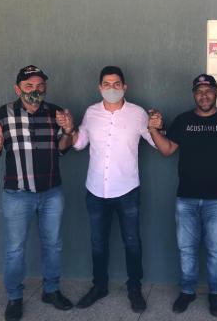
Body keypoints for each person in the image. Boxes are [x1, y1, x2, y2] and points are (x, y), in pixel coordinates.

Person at [147, 73, 217, 317]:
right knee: (186, 249)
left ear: (216, 93)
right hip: (186, 198)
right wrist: (153, 130)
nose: (204, 95)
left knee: (216, 251)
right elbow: (167, 150)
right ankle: (187, 291)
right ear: (194, 95)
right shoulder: (183, 120)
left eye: (208, 91)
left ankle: (215, 293)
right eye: (199, 91)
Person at [0, 65, 75, 321]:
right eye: (29, 86)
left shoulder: (56, 112)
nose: (35, 90)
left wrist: (69, 131)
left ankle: (51, 291)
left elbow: (63, 149)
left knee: (53, 245)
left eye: (40, 86)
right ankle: (14, 297)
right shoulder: (4, 113)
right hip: (17, 194)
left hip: (51, 192)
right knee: (15, 249)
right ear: (18, 89)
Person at [70, 66, 154, 313]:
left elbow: (156, 142)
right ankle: (99, 286)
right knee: (98, 243)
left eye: (117, 84)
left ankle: (134, 288)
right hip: (96, 190)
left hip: (127, 190)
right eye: (106, 84)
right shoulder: (91, 112)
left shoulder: (138, 114)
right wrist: (69, 128)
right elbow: (79, 144)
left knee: (132, 242)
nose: (112, 88)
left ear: (124, 87)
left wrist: (157, 126)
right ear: (100, 87)